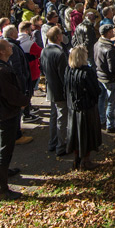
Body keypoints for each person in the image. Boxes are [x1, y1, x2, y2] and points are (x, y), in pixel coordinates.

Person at [0, 39, 30, 201]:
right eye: (8, 46)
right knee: (4, 149)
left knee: (0, 146)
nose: (11, 47)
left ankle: (0, 172)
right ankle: (1, 189)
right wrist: (24, 102)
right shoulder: (1, 72)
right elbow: (11, 94)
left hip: (2, 112)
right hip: (7, 113)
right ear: (2, 52)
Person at [64, 45, 102, 170]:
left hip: (73, 109)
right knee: (87, 135)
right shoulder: (87, 72)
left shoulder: (69, 70)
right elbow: (95, 90)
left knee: (76, 135)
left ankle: (77, 159)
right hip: (87, 108)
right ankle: (85, 161)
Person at [42, 26, 69, 156]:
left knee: (54, 117)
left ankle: (52, 143)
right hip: (59, 91)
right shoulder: (60, 54)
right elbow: (64, 76)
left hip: (51, 89)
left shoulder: (45, 51)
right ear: (58, 37)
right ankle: (60, 146)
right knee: (61, 118)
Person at [94, 24, 115, 132]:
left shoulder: (97, 44)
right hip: (109, 79)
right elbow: (113, 68)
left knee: (101, 99)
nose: (113, 32)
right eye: (111, 31)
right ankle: (111, 125)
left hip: (99, 76)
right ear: (108, 33)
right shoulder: (109, 48)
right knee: (111, 101)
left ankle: (101, 120)